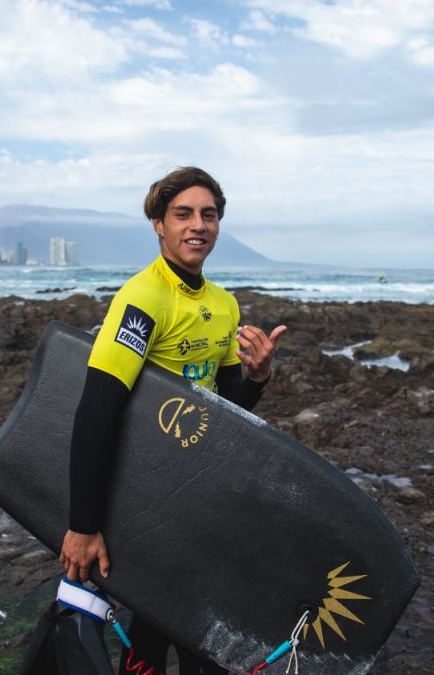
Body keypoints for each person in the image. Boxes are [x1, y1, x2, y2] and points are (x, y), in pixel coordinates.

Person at [58, 167, 287, 675]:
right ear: (158, 225)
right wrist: (83, 526)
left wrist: (258, 376)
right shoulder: (143, 300)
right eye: (182, 214)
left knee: (196, 629)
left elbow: (230, 407)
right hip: (143, 492)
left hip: (197, 489)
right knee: (151, 631)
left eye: (208, 215)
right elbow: (97, 411)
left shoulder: (224, 305)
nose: (197, 225)